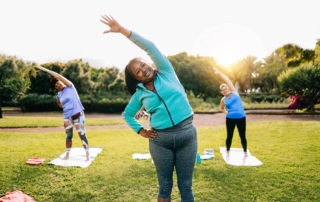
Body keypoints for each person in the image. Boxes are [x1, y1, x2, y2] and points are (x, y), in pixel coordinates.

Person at [100, 15, 198, 202]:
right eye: (138, 70)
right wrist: (141, 131)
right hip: (161, 141)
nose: (144, 69)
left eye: (143, 64)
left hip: (187, 135)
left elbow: (150, 47)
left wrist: (122, 30)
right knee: (165, 187)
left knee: (186, 186)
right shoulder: (139, 95)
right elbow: (127, 114)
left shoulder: (166, 71)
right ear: (136, 78)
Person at [35, 65, 90, 161]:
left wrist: (43, 69)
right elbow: (59, 103)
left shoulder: (70, 87)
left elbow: (58, 76)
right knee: (68, 136)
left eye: (58, 83)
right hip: (67, 117)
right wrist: (65, 107)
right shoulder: (59, 95)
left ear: (60, 81)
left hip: (78, 115)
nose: (58, 85)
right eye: (56, 86)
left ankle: (87, 155)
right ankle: (67, 155)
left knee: (82, 134)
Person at [213, 67, 248, 157]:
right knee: (229, 136)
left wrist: (219, 73)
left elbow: (228, 80)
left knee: (242, 135)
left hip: (241, 118)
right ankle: (227, 152)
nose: (225, 90)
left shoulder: (235, 93)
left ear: (228, 88)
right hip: (230, 119)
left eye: (226, 88)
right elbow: (221, 108)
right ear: (222, 92)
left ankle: (245, 152)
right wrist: (226, 113)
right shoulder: (223, 99)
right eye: (223, 90)